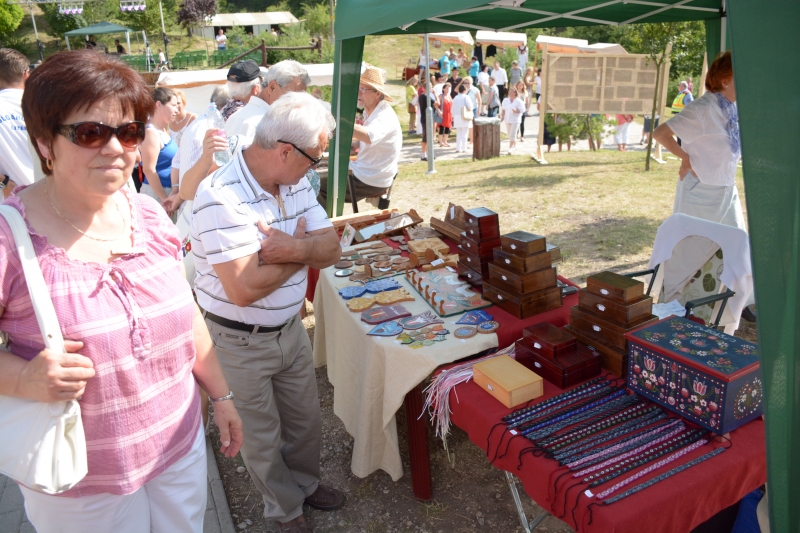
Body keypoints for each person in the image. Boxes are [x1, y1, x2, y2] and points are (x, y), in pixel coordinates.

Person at [4, 48, 242, 533]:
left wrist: (221, 395)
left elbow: (186, 313)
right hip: (81, 480)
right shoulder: (10, 237)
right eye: (91, 133)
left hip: (178, 448)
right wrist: (23, 378)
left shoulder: (149, 213)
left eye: (129, 131)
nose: (115, 148)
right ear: (45, 142)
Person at [191, 91, 344, 533]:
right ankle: (285, 510)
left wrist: (287, 249)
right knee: (259, 436)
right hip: (238, 339)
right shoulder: (220, 196)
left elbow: (331, 247)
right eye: (314, 158)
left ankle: (305, 485)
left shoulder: (292, 180)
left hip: (289, 329)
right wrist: (304, 253)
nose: (315, 168)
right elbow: (244, 288)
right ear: (284, 151)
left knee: (305, 422)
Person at [652, 52, 748, 312]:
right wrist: (685, 158)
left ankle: (741, 305)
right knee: (688, 252)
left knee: (739, 246)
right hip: (701, 191)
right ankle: (669, 305)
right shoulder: (703, 108)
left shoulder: (731, 109)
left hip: (726, 188)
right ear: (726, 80)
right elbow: (661, 133)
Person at [318, 65, 402, 206]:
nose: (358, 93)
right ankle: (325, 222)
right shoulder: (371, 111)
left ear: (377, 94)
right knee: (318, 172)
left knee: (313, 183)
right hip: (368, 174)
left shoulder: (383, 116)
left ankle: (323, 225)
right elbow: (372, 141)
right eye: (357, 88)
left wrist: (338, 123)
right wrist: (356, 144)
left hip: (369, 179)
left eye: (363, 89)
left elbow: (369, 136)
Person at [225, 59, 309, 138]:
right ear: (272, 87)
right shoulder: (258, 123)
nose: (297, 102)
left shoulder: (238, 117)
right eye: (292, 96)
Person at [139, 87, 179, 219]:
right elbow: (149, 170)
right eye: (173, 105)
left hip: (165, 194)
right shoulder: (151, 132)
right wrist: (164, 199)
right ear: (158, 105)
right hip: (157, 194)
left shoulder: (163, 130)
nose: (177, 110)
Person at [0, 49, 34, 198]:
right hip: (55, 199)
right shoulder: (46, 106)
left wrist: (4, 183)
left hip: (10, 207)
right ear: (26, 74)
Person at [500, 86, 525, 154]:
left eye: (512, 92)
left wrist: (516, 110)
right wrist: (502, 117)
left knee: (512, 134)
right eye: (509, 92)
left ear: (515, 93)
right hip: (507, 119)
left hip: (515, 120)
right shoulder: (505, 100)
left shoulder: (518, 101)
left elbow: (522, 110)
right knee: (509, 134)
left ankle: (510, 148)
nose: (510, 93)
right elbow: (503, 109)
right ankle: (514, 144)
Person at [451, 84, 471, 153]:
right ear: (465, 90)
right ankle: (464, 148)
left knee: (458, 133)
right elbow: (470, 106)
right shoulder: (466, 97)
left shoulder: (455, 98)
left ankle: (458, 148)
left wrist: (453, 116)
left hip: (456, 116)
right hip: (464, 116)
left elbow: (452, 108)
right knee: (465, 133)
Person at [461, 77, 481, 143]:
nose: (467, 84)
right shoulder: (463, 90)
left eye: (468, 83)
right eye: (465, 83)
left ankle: (473, 140)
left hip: (474, 109)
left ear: (471, 82)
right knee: (466, 125)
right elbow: (455, 90)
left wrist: (479, 109)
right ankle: (469, 140)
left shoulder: (475, 89)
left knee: (473, 125)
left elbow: (479, 100)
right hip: (465, 109)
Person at [436, 82, 453, 148]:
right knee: (441, 128)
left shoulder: (449, 96)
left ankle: (445, 141)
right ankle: (440, 142)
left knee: (448, 128)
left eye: (449, 88)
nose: (448, 89)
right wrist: (438, 111)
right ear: (443, 89)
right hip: (443, 114)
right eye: (446, 88)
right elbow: (436, 104)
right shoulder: (440, 96)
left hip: (449, 114)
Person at [418, 84, 432, 161]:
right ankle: (423, 155)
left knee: (428, 137)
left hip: (427, 118)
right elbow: (437, 103)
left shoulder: (426, 96)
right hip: (425, 118)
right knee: (426, 137)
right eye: (429, 88)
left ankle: (427, 153)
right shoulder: (424, 97)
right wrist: (436, 94)